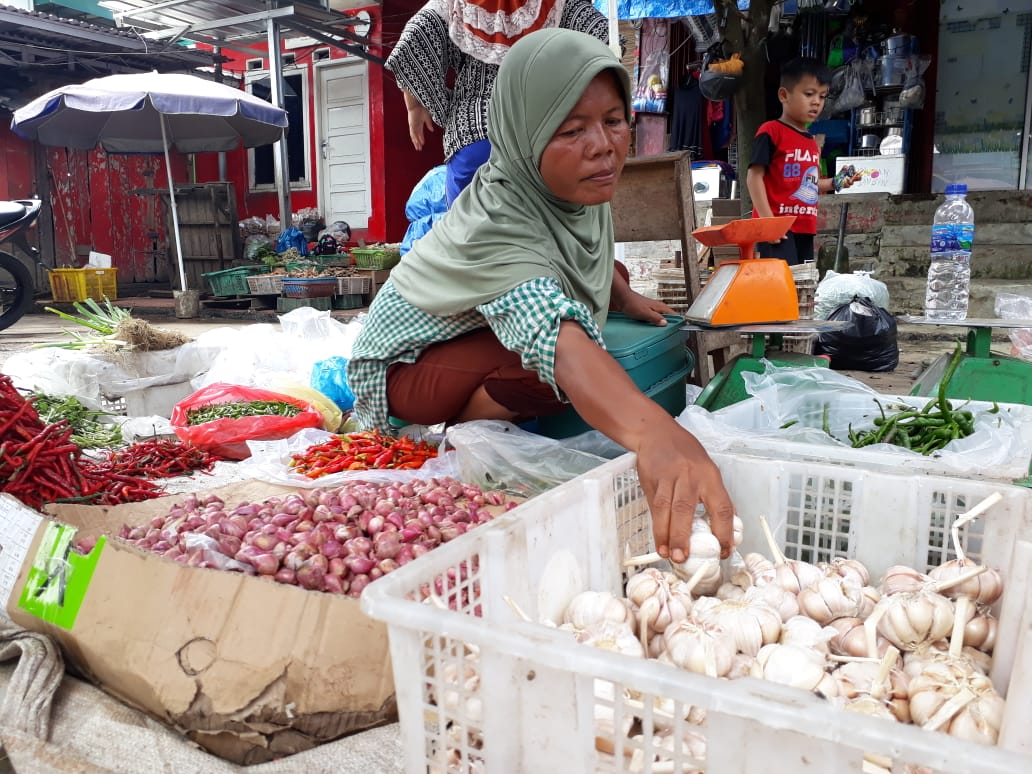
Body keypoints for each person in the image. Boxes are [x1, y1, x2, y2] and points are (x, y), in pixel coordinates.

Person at [348, 29, 735, 563]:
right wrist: (655, 434)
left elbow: (589, 256)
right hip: (404, 366)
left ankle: (490, 406)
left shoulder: (574, 185)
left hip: (468, 330)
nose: (602, 145)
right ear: (524, 132)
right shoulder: (497, 221)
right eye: (571, 129)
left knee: (593, 315)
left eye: (614, 120)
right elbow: (554, 333)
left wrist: (624, 297)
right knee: (553, 371)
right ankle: (466, 427)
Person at [386, 0, 611, 205]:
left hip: (473, 134)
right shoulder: (554, 4)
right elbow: (604, 38)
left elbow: (413, 41)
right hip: (537, 135)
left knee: (465, 228)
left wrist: (415, 105)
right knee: (541, 227)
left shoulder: (454, 3)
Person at [747, 57, 860, 265]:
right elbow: (754, 177)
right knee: (782, 281)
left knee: (801, 281)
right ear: (784, 95)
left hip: (805, 227)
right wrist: (768, 221)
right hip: (778, 226)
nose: (817, 101)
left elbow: (810, 184)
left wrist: (837, 182)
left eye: (822, 96)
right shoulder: (771, 131)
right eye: (809, 94)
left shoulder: (811, 141)